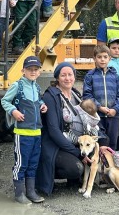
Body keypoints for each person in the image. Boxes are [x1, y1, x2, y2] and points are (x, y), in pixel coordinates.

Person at [36, 62, 91, 196]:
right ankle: (45, 175)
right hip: (55, 146)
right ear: (57, 78)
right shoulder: (51, 96)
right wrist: (77, 152)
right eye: (63, 75)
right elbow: (54, 131)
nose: (67, 78)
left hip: (75, 142)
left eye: (70, 75)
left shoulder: (76, 94)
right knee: (77, 168)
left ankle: (74, 180)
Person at [1, 55, 48, 204]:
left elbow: (38, 100)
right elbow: (4, 101)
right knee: (21, 164)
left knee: (33, 163)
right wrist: (13, 111)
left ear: (39, 72)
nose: (33, 72)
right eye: (29, 69)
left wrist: (42, 105)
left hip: (36, 133)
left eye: (35, 69)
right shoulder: (17, 86)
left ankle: (31, 192)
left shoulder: (37, 86)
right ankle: (19, 194)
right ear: (23, 71)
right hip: (22, 133)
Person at [82, 44, 119, 150]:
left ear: (109, 58)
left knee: (113, 142)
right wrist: (99, 107)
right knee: (100, 143)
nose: (102, 60)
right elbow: (87, 95)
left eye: (105, 57)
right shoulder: (90, 76)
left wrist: (115, 109)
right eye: (99, 57)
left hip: (113, 116)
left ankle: (110, 165)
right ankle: (99, 165)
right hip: (97, 116)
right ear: (94, 58)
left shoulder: (114, 76)